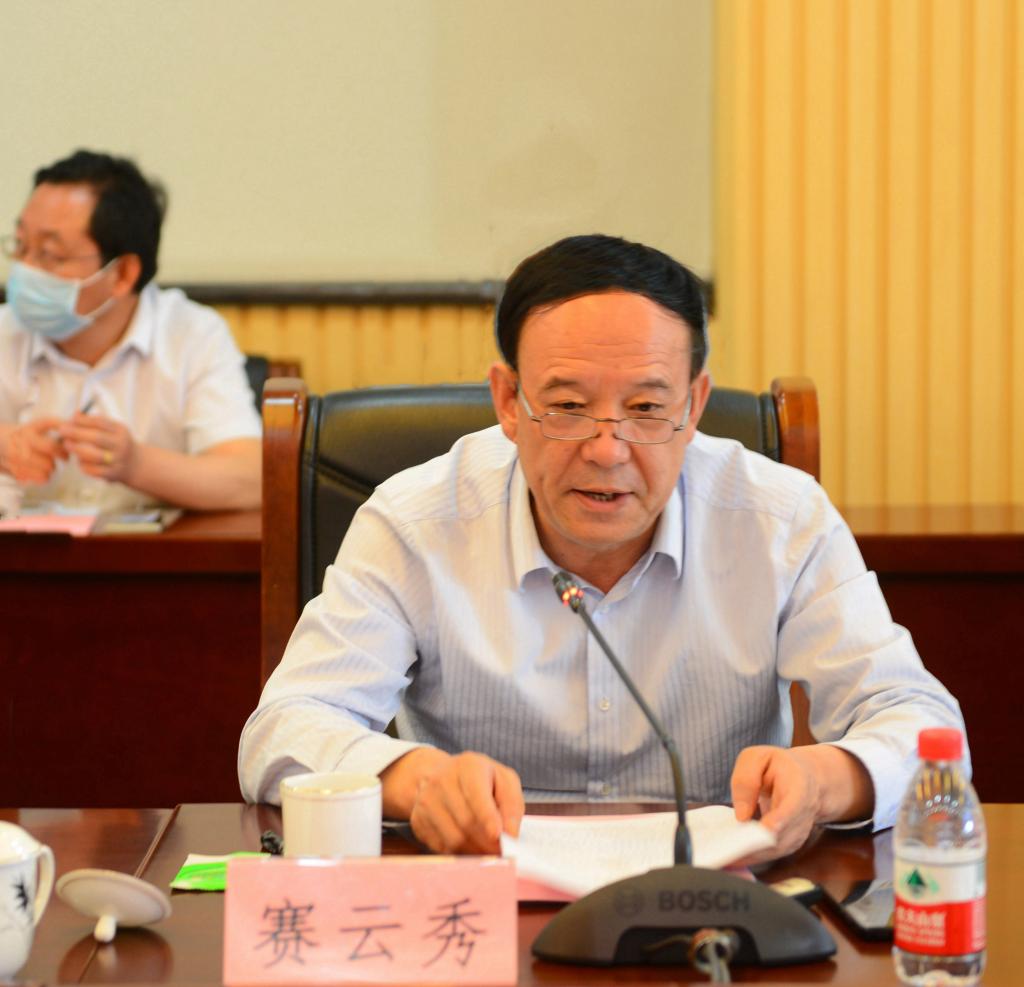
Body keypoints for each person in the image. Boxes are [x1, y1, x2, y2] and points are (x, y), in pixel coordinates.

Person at [238, 234, 966, 861]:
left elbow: (923, 723)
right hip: (488, 899)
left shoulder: (778, 518)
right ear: (508, 401)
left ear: (694, 405)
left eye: (647, 408)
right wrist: (416, 780)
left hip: (714, 905)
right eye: (567, 406)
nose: (608, 448)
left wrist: (828, 779)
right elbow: (284, 728)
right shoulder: (416, 521)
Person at [0, 149, 261, 515]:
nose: (24, 270)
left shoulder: (192, 335)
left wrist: (136, 464)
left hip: (150, 551)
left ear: (122, 274)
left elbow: (250, 480)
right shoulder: (5, 331)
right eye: (21, 245)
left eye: (50, 254)